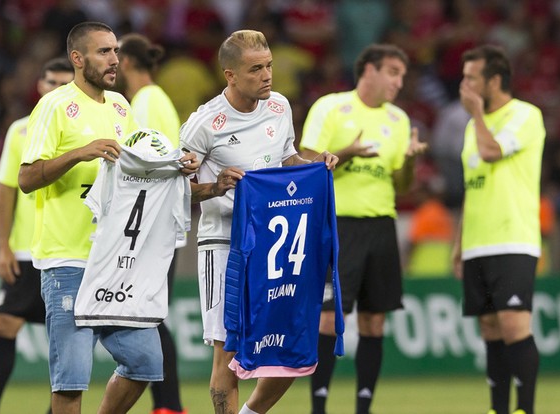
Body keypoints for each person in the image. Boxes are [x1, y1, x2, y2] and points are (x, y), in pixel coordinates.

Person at [17, 22, 198, 414]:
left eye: (115, 50)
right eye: (103, 52)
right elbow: (27, 178)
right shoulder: (54, 105)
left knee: (146, 362)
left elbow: (140, 173)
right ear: (78, 59)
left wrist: (178, 169)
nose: (114, 59)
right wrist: (78, 153)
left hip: (115, 261)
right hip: (68, 259)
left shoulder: (121, 106)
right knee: (71, 382)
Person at [179, 29, 338, 414]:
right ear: (229, 75)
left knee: (288, 345)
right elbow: (176, 192)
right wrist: (215, 188)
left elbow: (287, 163)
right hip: (225, 244)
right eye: (255, 69)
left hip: (276, 243)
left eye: (268, 66)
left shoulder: (280, 107)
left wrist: (316, 165)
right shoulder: (204, 124)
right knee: (228, 352)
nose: (267, 75)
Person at [299, 43, 427, 414]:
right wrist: (348, 152)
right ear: (368, 70)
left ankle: (363, 406)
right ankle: (319, 405)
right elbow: (306, 162)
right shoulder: (331, 107)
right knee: (329, 315)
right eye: (393, 72)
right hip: (338, 225)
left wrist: (408, 164)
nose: (399, 83)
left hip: (382, 225)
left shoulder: (399, 120)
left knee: (374, 318)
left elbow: (402, 186)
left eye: (402, 75)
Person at [452, 44, 545, 414]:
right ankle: (499, 409)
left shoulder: (524, 115)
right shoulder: (472, 128)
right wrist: (459, 243)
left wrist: (476, 114)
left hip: (513, 237)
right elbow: (471, 187)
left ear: (494, 80)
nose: (464, 85)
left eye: (471, 77)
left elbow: (491, 153)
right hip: (477, 241)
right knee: (489, 328)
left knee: (513, 324)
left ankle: (525, 408)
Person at [0, 57, 73, 414]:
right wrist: (3, 246)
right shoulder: (21, 129)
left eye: (65, 84)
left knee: (65, 336)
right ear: (40, 85)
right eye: (52, 83)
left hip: (67, 249)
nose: (56, 90)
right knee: (4, 323)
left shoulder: (85, 129)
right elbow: (5, 190)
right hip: (25, 251)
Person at [115, 33, 186, 414]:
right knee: (151, 316)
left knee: (150, 316)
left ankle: (170, 405)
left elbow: (146, 160)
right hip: (160, 221)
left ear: (126, 62)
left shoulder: (144, 102)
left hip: (153, 224)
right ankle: (167, 404)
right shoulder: (156, 99)